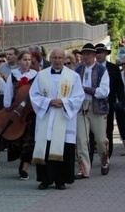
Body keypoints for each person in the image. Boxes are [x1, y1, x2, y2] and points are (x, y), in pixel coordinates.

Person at [29, 48, 84, 189]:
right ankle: (45, 180)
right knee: (45, 147)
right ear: (50, 59)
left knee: (64, 148)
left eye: (60, 57)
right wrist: (48, 102)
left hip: (64, 119)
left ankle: (61, 180)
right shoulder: (41, 75)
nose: (58, 60)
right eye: (55, 57)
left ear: (64, 59)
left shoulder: (73, 76)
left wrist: (64, 102)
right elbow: (33, 94)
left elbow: (79, 97)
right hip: (46, 117)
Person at [74, 43, 109, 178]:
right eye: (84, 54)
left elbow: (104, 92)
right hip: (81, 107)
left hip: (97, 108)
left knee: (100, 140)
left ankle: (104, 159)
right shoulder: (77, 71)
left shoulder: (102, 70)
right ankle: (84, 168)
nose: (85, 57)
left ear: (94, 55)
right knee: (81, 139)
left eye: (88, 54)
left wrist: (86, 89)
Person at [2, 50, 38, 180]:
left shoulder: (36, 76)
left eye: (29, 60)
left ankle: (25, 168)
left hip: (30, 112)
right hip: (17, 112)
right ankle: (21, 161)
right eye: (25, 60)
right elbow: (8, 94)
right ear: (19, 61)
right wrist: (8, 109)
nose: (27, 62)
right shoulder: (13, 75)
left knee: (29, 139)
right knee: (16, 139)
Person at [95, 43, 125, 160]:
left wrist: (121, 101)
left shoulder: (113, 68)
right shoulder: (91, 68)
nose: (98, 55)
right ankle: (93, 152)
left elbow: (119, 86)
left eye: (101, 52)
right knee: (93, 131)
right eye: (97, 52)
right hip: (93, 103)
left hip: (108, 104)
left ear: (106, 54)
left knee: (108, 129)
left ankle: (107, 155)